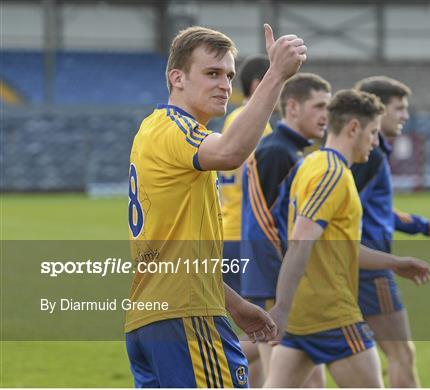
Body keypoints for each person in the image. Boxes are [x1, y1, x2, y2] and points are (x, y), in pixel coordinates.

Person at [125, 24, 307, 387]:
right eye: (211, 73)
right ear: (176, 77)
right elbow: (231, 152)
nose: (224, 84)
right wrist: (276, 75)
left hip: (150, 319)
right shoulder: (176, 128)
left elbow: (173, 256)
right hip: (186, 319)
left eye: (228, 75)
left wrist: (236, 305)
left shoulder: (154, 130)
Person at [264, 89, 430, 388]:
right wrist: (282, 308)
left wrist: (394, 263)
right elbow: (301, 242)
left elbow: (339, 247)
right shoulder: (332, 174)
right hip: (331, 314)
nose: (376, 142)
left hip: (303, 317)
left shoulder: (312, 164)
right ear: (354, 128)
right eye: (373, 132)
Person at [353, 76, 430, 387]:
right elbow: (340, 210)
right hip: (369, 268)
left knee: (310, 353)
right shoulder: (367, 157)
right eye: (399, 108)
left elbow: (378, 212)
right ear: (378, 109)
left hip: (353, 264)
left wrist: (424, 226)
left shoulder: (371, 153)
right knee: (401, 354)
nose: (405, 116)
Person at [241, 72, 331, 386]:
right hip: (273, 283)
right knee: (281, 380)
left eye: (328, 108)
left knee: (310, 380)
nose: (325, 116)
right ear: (292, 107)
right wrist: (280, 284)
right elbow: (261, 225)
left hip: (284, 282)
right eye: (319, 106)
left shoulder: (293, 152)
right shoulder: (277, 152)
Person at [217, 54, 272, 387]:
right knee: (269, 328)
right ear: (258, 85)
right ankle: (213, 362)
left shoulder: (234, 118)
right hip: (245, 236)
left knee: (253, 327)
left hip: (229, 230)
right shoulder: (258, 125)